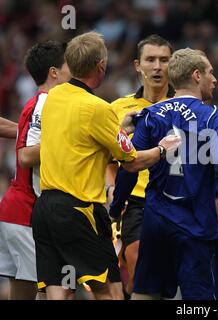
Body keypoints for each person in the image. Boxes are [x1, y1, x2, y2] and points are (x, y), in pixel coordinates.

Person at [31, 32, 180, 300]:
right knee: (110, 292)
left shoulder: (53, 97)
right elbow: (132, 161)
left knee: (59, 293)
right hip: (79, 210)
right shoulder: (99, 108)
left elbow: (82, 136)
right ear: (101, 66)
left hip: (45, 209)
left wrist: (120, 128)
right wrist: (162, 149)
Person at [110, 48, 218, 300]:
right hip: (196, 225)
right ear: (197, 75)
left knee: (145, 295)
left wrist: (116, 207)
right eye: (210, 73)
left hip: (155, 223)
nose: (215, 79)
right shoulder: (214, 119)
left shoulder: (151, 114)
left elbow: (129, 167)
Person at [0, 40, 70, 300]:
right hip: (27, 211)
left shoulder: (37, 103)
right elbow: (27, 155)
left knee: (23, 292)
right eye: (68, 66)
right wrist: (73, 141)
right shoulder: (46, 103)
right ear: (54, 72)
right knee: (57, 289)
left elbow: (25, 139)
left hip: (16, 211)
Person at [106, 34, 174, 296]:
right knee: (139, 278)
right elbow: (106, 159)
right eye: (151, 60)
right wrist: (112, 189)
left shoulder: (187, 107)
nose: (157, 66)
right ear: (137, 65)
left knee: (171, 284)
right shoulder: (118, 109)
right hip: (136, 203)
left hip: (178, 202)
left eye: (164, 60)